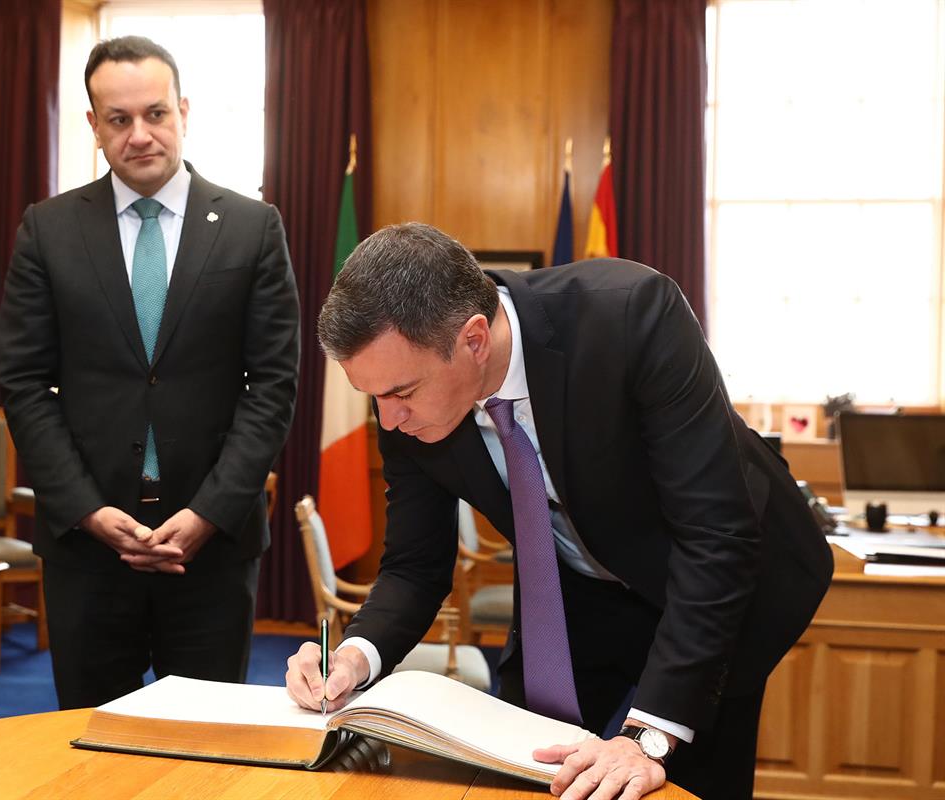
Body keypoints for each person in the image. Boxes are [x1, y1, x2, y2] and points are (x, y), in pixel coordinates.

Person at [286, 223, 832, 800]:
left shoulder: (630, 316)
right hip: (579, 591)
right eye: (373, 397)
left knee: (669, 779)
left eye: (400, 395)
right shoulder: (405, 395)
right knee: (533, 769)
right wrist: (352, 658)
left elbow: (716, 537)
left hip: (721, 584)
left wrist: (646, 738)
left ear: (474, 340)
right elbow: (414, 566)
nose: (388, 419)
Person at [0, 36, 299, 710]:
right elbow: (23, 382)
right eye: (119, 119)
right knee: (89, 749)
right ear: (93, 126)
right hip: (87, 549)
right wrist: (86, 510)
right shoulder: (46, 230)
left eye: (156, 113)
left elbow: (273, 384)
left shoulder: (253, 228)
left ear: (184, 112)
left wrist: (209, 513)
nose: (140, 134)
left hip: (213, 551)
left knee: (206, 751)